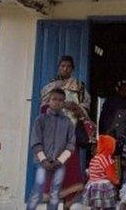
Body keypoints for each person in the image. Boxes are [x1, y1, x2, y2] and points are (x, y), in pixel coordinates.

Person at [40, 55, 93, 202]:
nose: (65, 69)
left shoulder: (79, 87)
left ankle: (67, 200)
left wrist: (77, 108)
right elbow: (44, 108)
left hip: (71, 131)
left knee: (70, 165)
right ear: (59, 67)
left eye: (69, 66)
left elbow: (86, 107)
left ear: (73, 69)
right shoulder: (50, 87)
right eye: (63, 66)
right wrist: (63, 105)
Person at [26, 88, 77, 210]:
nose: (57, 102)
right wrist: (43, 160)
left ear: (64, 102)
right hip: (42, 163)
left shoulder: (68, 122)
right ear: (48, 101)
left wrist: (60, 160)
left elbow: (71, 144)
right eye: (54, 99)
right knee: (37, 190)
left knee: (55, 193)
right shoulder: (40, 120)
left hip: (59, 164)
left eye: (60, 100)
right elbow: (35, 141)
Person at [85, 134, 120, 209]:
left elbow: (91, 172)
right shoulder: (105, 158)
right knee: (107, 206)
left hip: (93, 186)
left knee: (95, 206)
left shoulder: (95, 158)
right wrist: (116, 181)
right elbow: (110, 174)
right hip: (103, 186)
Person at [100, 80, 126, 144]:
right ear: (118, 90)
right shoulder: (110, 101)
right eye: (122, 89)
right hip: (109, 133)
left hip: (121, 136)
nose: (124, 92)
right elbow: (103, 117)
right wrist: (104, 132)